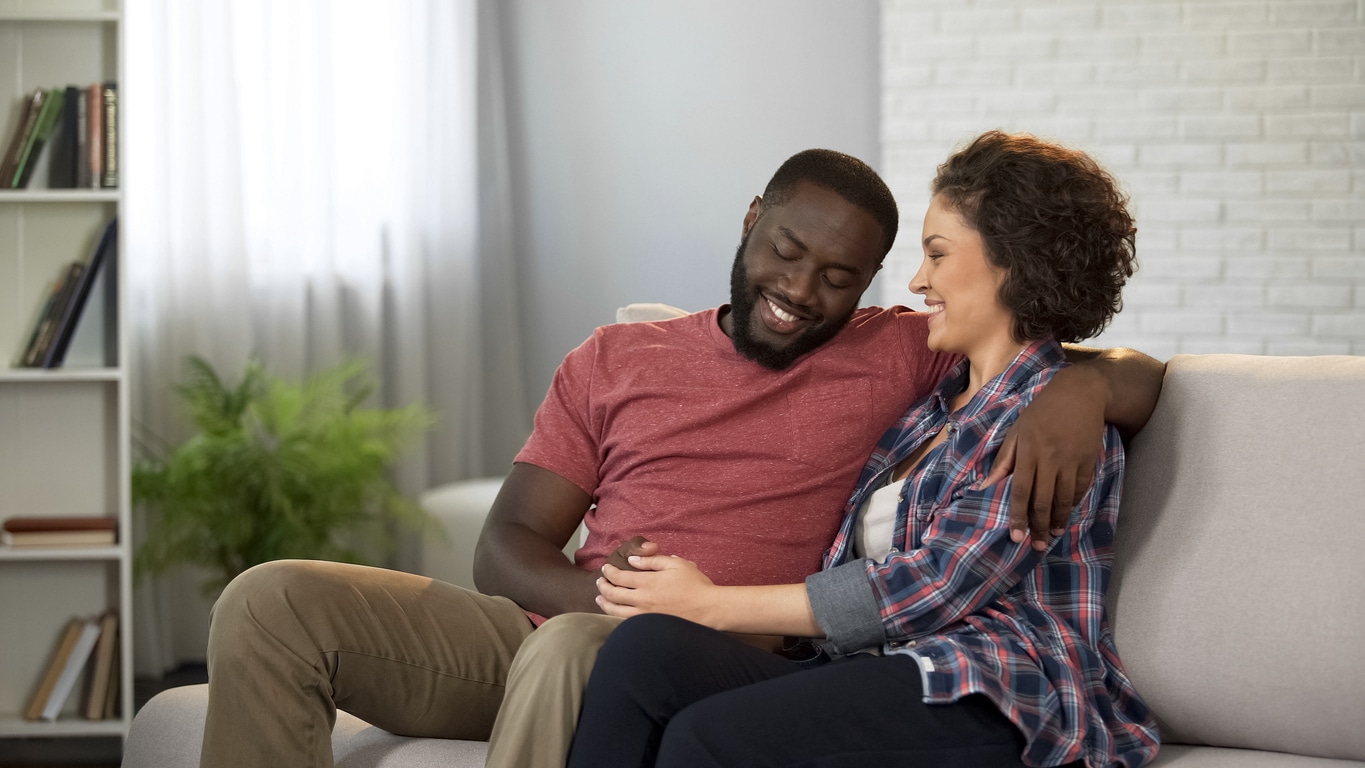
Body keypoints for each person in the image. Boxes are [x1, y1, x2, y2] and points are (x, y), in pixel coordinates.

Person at [198, 148, 1164, 768]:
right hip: (569, 627)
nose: (800, 290)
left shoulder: (905, 353)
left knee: (597, 649)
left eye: (841, 278)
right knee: (271, 600)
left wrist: (1085, 390)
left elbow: (1079, 361)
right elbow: (504, 548)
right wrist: (622, 600)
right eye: (786, 251)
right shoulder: (617, 359)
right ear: (751, 219)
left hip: (705, 651)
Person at [565, 131, 1161, 768]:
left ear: (1009, 264)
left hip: (997, 689)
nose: (916, 279)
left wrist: (712, 605)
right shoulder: (931, 409)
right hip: (882, 668)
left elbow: (936, 585)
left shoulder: (1051, 422)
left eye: (936, 254)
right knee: (643, 653)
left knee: (709, 737)